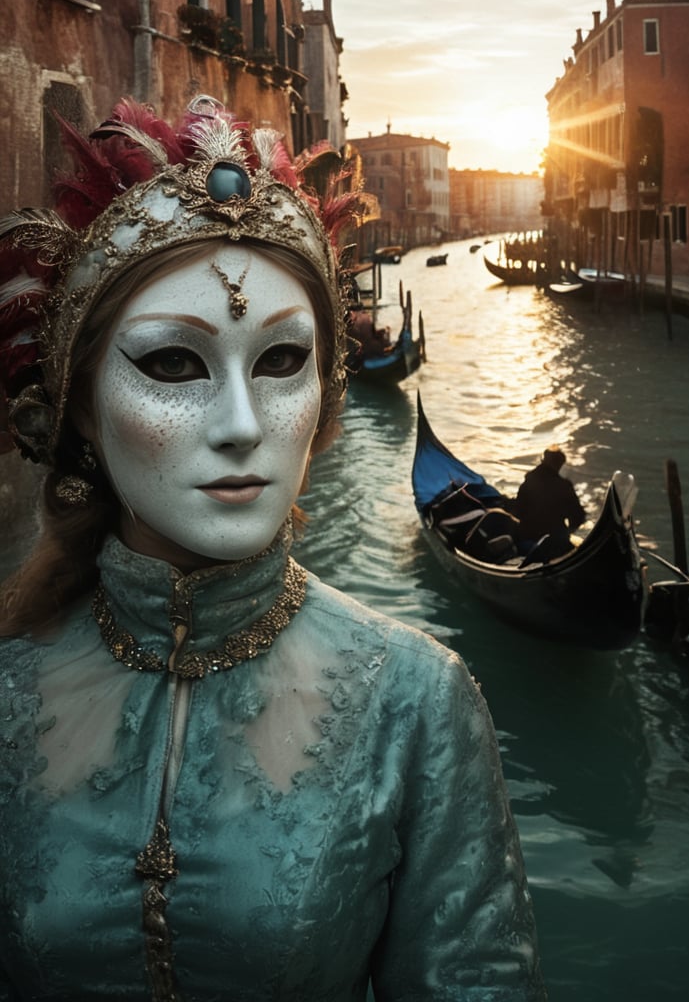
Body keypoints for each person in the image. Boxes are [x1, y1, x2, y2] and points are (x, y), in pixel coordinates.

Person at [0, 96, 545, 1001]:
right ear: (79, 411)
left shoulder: (415, 702)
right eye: (174, 364)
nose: (244, 428)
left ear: (322, 395)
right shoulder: (8, 695)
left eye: (282, 363)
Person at [514, 447, 587, 562]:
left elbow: (518, 511)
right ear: (559, 465)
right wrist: (569, 531)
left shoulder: (528, 482)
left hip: (528, 539)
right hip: (556, 541)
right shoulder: (564, 486)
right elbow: (578, 516)